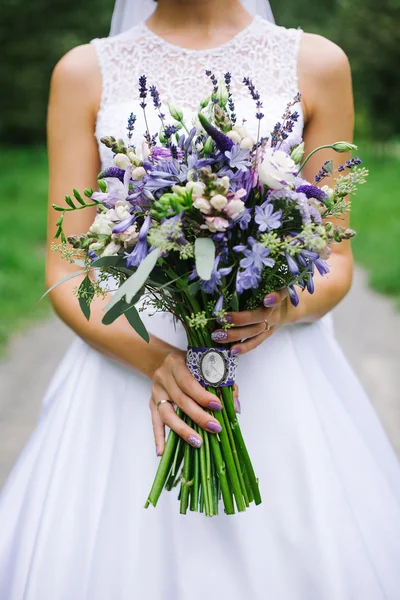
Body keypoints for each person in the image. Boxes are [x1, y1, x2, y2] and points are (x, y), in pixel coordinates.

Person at [1, 0, 400, 598]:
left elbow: (336, 257)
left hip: (273, 365)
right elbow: (67, 266)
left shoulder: (317, 64)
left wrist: (284, 306)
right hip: (130, 364)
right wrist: (157, 361)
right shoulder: (84, 72)